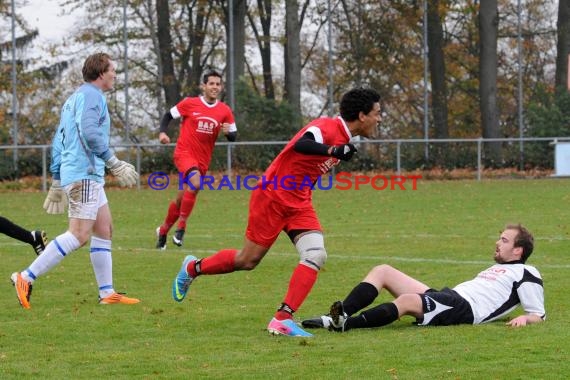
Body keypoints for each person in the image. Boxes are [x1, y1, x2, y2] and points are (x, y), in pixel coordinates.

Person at [171, 87, 382, 337]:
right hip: (272, 196)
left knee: (316, 254)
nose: (379, 119)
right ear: (361, 115)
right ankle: (193, 268)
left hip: (299, 202)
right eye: (377, 113)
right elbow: (302, 144)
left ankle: (282, 318)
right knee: (247, 260)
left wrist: (335, 152)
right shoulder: (326, 127)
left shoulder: (345, 139)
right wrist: (332, 151)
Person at [10, 52, 140, 309]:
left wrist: (57, 179)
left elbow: (60, 141)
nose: (115, 74)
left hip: (81, 174)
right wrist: (113, 162)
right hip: (85, 174)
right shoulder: (93, 97)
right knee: (79, 235)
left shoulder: (73, 99)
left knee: (104, 229)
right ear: (101, 72)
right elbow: (90, 134)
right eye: (113, 70)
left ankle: (107, 292)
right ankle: (26, 277)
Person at [301, 224, 545, 332]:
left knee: (407, 301)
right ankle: (337, 315)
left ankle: (345, 325)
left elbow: (538, 314)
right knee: (383, 270)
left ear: (518, 250)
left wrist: (526, 318)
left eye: (504, 240)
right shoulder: (499, 269)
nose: (497, 242)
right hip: (452, 297)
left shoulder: (527, 272)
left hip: (465, 310)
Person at [155, 69, 237, 250]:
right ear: (204, 86)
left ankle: (162, 231)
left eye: (218, 84)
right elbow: (168, 115)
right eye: (211, 84)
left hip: (202, 160)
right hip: (184, 153)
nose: (215, 87)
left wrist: (228, 133)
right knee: (196, 182)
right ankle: (181, 228)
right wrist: (162, 132)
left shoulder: (224, 110)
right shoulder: (190, 104)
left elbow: (233, 135)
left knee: (181, 199)